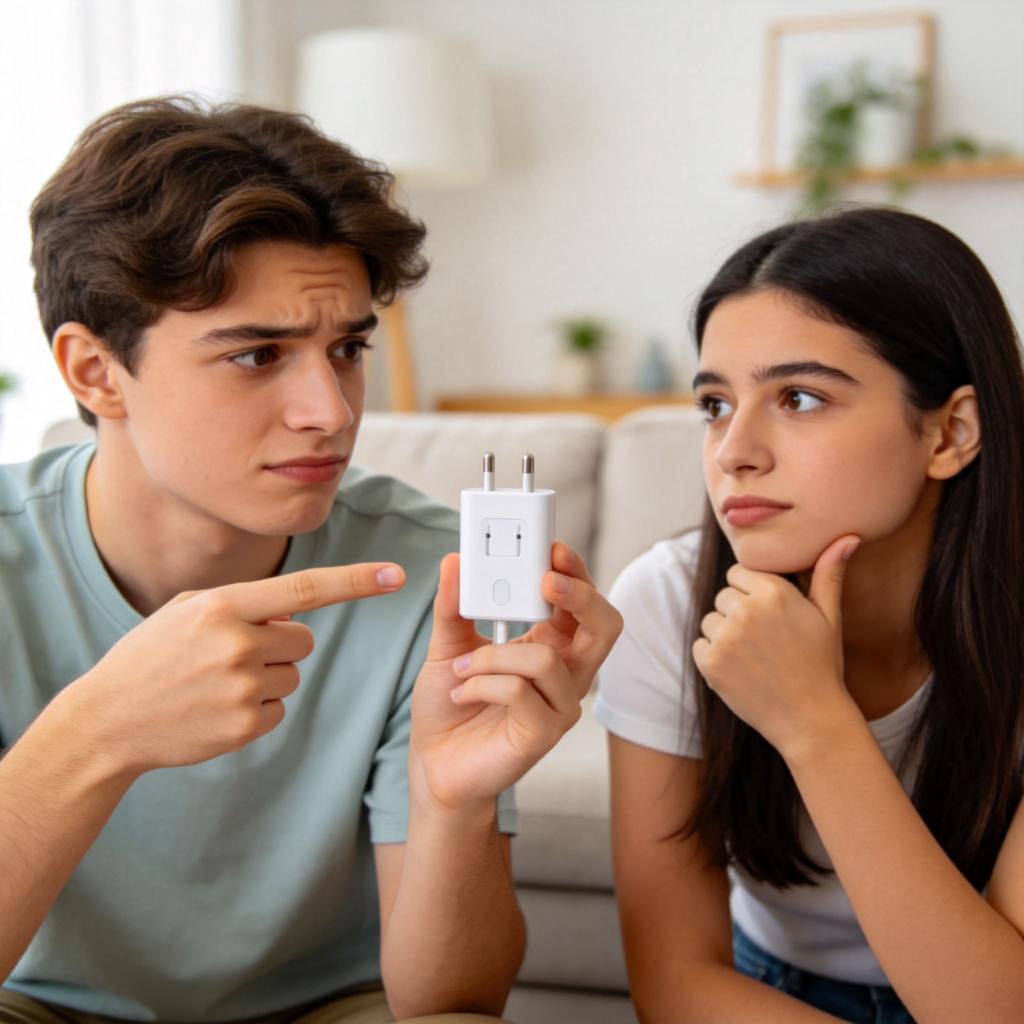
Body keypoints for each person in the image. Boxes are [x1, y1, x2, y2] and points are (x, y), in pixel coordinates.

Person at [0, 96, 622, 1024]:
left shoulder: (430, 579)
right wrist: (97, 733)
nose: (330, 412)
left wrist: (452, 800)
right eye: (257, 355)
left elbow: (454, 1003)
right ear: (95, 372)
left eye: (347, 350)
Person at [595, 206, 1024, 1023]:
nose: (734, 451)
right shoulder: (666, 601)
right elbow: (675, 981)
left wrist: (813, 723)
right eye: (716, 404)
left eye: (798, 397)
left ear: (951, 432)